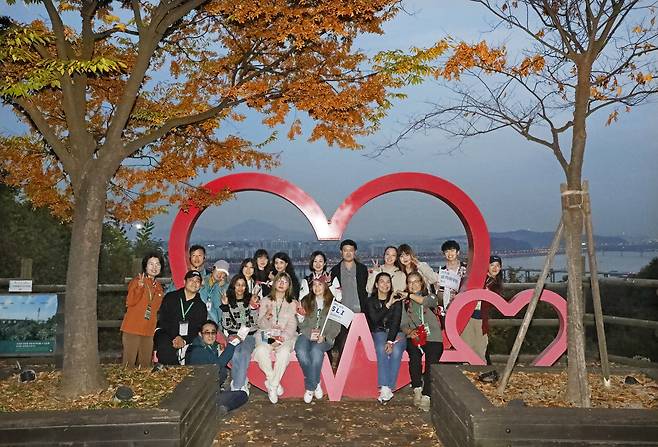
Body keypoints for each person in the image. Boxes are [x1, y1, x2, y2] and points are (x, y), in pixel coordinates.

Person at [400, 272, 443, 412]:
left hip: (433, 337)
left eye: (416, 281)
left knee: (432, 362)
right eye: (410, 282)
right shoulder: (404, 303)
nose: (413, 285)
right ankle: (417, 388)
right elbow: (402, 323)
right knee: (414, 357)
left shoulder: (430, 296)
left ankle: (427, 395)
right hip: (416, 336)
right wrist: (409, 332)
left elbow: (426, 302)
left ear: (422, 283)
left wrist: (408, 295)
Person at [253, 272, 298, 404]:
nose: (281, 284)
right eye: (279, 281)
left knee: (284, 352)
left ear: (288, 286)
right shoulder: (265, 300)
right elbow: (260, 324)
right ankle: (274, 380)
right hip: (266, 334)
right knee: (261, 350)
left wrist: (281, 338)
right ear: (274, 283)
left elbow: (292, 324)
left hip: (285, 335)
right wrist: (266, 316)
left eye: (285, 282)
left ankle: (272, 385)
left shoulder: (292, 303)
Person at [294, 276, 341, 403]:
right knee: (300, 351)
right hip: (307, 333)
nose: (317, 288)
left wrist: (326, 336)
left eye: (320, 285)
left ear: (325, 286)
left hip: (325, 337)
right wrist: (300, 318)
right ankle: (315, 381)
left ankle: (310, 388)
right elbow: (302, 325)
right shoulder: (306, 301)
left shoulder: (333, 303)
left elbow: (336, 327)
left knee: (316, 352)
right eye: (314, 285)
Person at [186, 320, 249, 412]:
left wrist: (219, 347)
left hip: (208, 390)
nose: (210, 336)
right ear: (200, 334)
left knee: (238, 393)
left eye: (213, 332)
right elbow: (218, 365)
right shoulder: (198, 351)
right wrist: (232, 344)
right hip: (199, 395)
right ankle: (217, 408)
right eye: (207, 333)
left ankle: (218, 407)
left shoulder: (206, 345)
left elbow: (214, 350)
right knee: (242, 395)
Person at [365, 272, 406, 403]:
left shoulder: (397, 300)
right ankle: (384, 386)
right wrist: (388, 304)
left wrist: (390, 341)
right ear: (376, 284)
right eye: (381, 281)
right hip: (379, 331)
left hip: (396, 332)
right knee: (381, 349)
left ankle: (389, 387)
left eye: (388, 282)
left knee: (397, 351)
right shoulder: (370, 301)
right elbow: (375, 320)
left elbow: (396, 322)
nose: (385, 284)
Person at [120, 252, 165, 368]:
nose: (154, 267)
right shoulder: (137, 281)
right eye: (151, 264)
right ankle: (125, 386)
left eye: (157, 264)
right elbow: (130, 302)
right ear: (145, 266)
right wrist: (139, 287)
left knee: (145, 364)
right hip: (132, 328)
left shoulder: (159, 287)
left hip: (148, 329)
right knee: (128, 363)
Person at [154, 270, 208, 365]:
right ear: (184, 282)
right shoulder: (170, 297)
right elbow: (164, 320)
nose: (194, 283)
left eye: (197, 281)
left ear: (200, 285)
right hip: (166, 331)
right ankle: (175, 375)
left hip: (187, 337)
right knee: (166, 350)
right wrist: (176, 336)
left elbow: (198, 328)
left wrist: (184, 340)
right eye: (191, 280)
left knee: (197, 352)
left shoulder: (201, 306)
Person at [329, 239, 368, 364]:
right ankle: (341, 368)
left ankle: (357, 369)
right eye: (345, 250)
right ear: (341, 252)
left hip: (359, 311)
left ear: (355, 252)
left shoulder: (362, 269)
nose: (348, 253)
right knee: (342, 342)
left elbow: (367, 289)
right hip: (342, 312)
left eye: (351, 250)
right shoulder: (335, 270)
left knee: (359, 343)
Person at [220, 274, 259, 393]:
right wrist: (225, 307)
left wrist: (252, 308)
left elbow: (254, 323)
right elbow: (226, 325)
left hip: (249, 335)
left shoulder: (250, 300)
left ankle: (237, 385)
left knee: (244, 353)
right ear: (233, 286)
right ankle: (241, 382)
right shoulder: (229, 301)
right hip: (233, 335)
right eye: (238, 285)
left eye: (243, 285)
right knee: (236, 354)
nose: (240, 288)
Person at [479, 255, 504, 364]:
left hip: (483, 318)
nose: (495, 268)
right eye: (492, 265)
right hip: (473, 316)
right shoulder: (480, 280)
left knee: (483, 347)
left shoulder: (496, 284)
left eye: (498, 265)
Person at [200, 260, 230, 327]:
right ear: (213, 269)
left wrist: (218, 288)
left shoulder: (226, 287)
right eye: (219, 271)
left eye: (223, 273)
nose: (220, 274)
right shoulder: (202, 281)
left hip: (217, 323)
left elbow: (219, 307)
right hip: (201, 320)